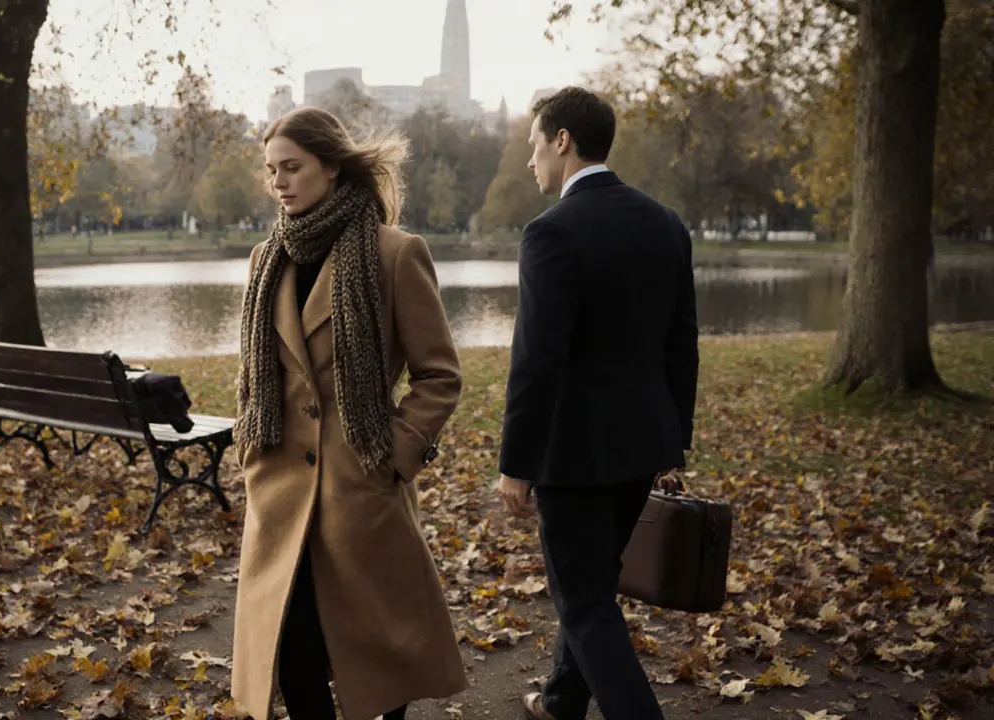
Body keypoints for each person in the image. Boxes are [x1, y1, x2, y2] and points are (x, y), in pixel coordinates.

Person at [230, 106, 467, 720]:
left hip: (359, 484)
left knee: (379, 655)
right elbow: (253, 375)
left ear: (331, 167)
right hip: (280, 487)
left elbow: (439, 375)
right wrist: (249, 450)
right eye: (271, 170)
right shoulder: (266, 260)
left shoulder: (394, 253)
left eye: (292, 167)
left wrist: (396, 454)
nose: (279, 182)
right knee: (293, 654)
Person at [496, 86, 699, 720]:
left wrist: (515, 463)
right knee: (595, 584)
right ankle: (561, 704)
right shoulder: (665, 222)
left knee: (583, 600)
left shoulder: (551, 232)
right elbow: (681, 343)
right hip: (644, 441)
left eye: (535, 146)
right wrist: (676, 436)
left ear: (563, 142)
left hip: (575, 454)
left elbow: (536, 361)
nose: (531, 161)